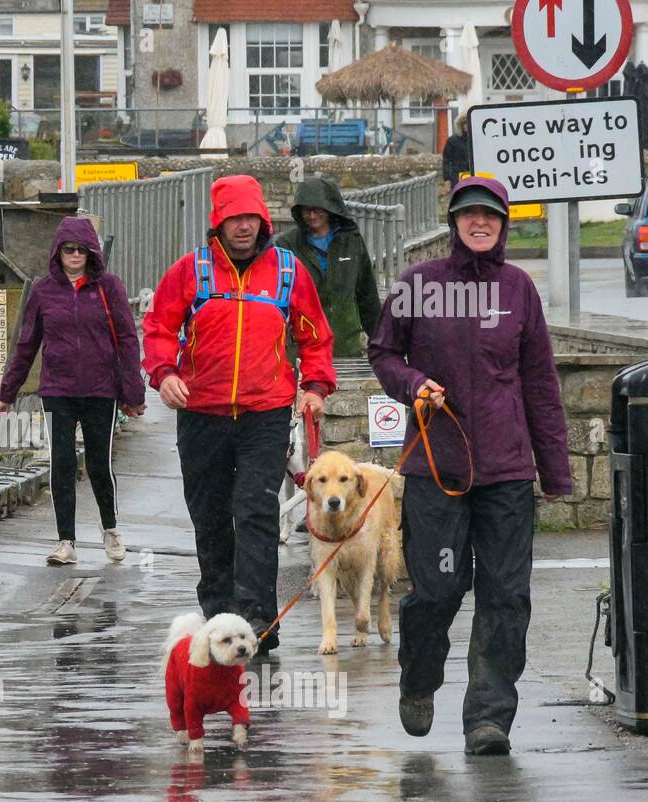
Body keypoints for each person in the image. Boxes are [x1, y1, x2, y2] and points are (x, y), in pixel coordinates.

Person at [368, 176, 571, 755]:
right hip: (439, 470)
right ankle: (419, 676)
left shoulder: (519, 288)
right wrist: (412, 384)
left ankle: (488, 717)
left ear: (504, 224)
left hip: (506, 471)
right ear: (454, 223)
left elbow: (539, 383)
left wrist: (554, 471)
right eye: (468, 215)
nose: (479, 224)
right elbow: (383, 351)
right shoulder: (419, 285)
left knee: (507, 595)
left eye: (491, 216)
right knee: (437, 590)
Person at [142, 174, 336, 652]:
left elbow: (315, 337)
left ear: (263, 220)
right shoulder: (191, 271)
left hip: (264, 413)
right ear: (219, 222)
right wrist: (163, 373)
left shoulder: (288, 271)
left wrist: (314, 386)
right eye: (234, 219)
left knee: (254, 513)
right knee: (209, 516)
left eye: (251, 217)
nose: (244, 227)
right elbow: (159, 327)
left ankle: (257, 622)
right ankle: (218, 618)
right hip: (201, 412)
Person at [0, 216, 146, 565]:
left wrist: (133, 394)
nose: (75, 255)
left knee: (98, 464)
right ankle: (66, 541)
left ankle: (110, 527)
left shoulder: (109, 287)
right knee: (61, 463)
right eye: (69, 249)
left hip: (100, 389)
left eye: (82, 249)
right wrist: (8, 391)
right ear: (58, 252)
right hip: (57, 389)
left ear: (92, 251)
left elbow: (126, 340)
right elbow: (26, 345)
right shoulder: (43, 291)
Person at [275, 175, 382, 358]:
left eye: (317, 210)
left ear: (330, 209)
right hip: (302, 350)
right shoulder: (287, 246)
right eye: (306, 211)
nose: (312, 216)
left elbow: (367, 295)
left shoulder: (351, 242)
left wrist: (382, 344)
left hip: (345, 347)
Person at [442, 112, 472, 186]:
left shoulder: (476, 140)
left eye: (469, 122)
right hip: (457, 177)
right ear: (461, 125)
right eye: (465, 123)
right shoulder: (452, 140)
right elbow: (446, 160)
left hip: (475, 175)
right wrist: (447, 178)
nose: (467, 125)